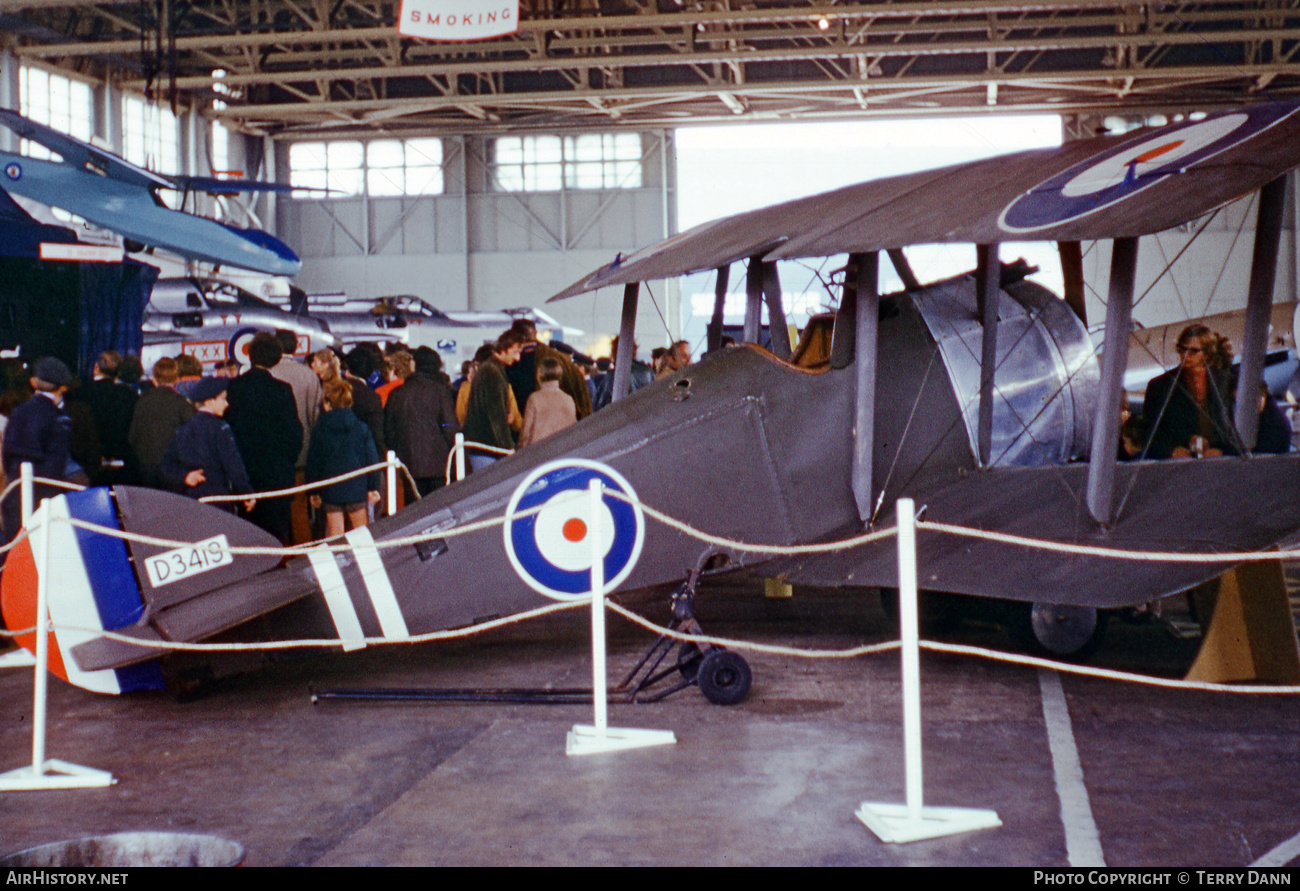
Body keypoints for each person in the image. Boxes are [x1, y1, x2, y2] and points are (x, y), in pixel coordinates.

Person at [225, 333, 302, 544]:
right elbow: (294, 435)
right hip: (277, 474)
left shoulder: (234, 388)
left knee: (248, 538)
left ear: (249, 355)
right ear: (276, 357)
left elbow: (228, 430)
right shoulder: (282, 390)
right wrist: (286, 461)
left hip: (245, 473)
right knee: (278, 538)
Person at [1, 357, 78, 547]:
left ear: (34, 382)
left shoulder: (18, 412)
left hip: (14, 495)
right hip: (44, 501)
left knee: (12, 557)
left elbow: (6, 456)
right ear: (63, 387)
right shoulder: (60, 420)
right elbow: (56, 466)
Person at [160, 377, 256, 514]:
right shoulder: (220, 428)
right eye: (222, 399)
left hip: (192, 499)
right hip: (218, 498)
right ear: (209, 401)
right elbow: (233, 464)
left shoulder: (183, 429)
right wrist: (246, 491)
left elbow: (166, 464)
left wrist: (185, 476)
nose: (227, 404)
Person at [1142, 324, 1238, 459]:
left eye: (1193, 351)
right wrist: (1172, 450)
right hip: (1180, 461)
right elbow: (1149, 431)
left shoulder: (1225, 381)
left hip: (1220, 458)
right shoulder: (1160, 386)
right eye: (1182, 349)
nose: (1185, 355)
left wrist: (1224, 451)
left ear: (1207, 354)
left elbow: (1236, 426)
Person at [307, 378, 381, 536]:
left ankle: (338, 561)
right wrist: (373, 487)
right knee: (361, 533)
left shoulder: (320, 429)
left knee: (336, 534)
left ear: (327, 404)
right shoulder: (361, 427)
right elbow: (372, 459)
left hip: (331, 489)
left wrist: (313, 491)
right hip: (357, 487)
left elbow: (314, 462)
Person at [384, 347, 460, 496]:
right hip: (440, 464)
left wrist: (400, 450)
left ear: (414, 365)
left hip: (409, 465)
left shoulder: (397, 394)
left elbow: (389, 432)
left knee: (415, 512)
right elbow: (450, 426)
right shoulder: (441, 391)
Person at [129, 357, 197, 488]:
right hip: (175, 470)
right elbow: (194, 437)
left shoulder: (141, 402)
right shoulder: (182, 404)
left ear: (154, 380)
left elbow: (132, 437)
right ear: (177, 379)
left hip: (146, 469)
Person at [463, 332, 524, 470]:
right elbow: (496, 417)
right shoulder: (493, 373)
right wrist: (508, 449)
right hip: (487, 448)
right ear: (503, 349)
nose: (517, 358)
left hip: (481, 447)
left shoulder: (489, 369)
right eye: (514, 352)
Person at [518, 356, 577, 448]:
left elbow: (526, 433)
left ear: (539, 375)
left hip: (538, 453)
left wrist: (520, 450)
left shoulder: (534, 399)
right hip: (563, 452)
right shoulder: (569, 399)